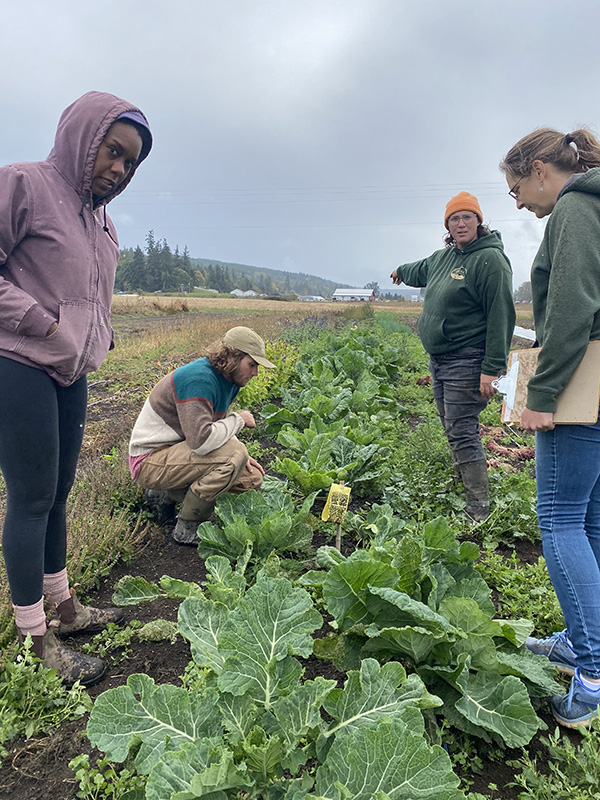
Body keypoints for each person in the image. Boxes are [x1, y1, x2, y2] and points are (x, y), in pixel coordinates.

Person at [0, 91, 152, 686]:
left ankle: (65, 608)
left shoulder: (101, 220)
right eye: (112, 152)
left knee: (60, 492)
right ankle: (33, 638)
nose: (119, 169)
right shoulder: (24, 184)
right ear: (83, 139)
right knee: (33, 497)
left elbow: (93, 295)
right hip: (18, 363)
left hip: (69, 371)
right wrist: (43, 323)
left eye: (130, 163)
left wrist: (98, 336)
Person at [500, 128, 600, 728]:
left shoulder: (574, 209)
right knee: (589, 519)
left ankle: (592, 671)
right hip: (598, 384)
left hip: (580, 384)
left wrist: (541, 395)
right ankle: (578, 639)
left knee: (559, 519)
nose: (516, 203)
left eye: (516, 188)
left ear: (540, 169)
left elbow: (570, 309)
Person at [390, 192, 516, 521]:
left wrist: (491, 369)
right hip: (441, 359)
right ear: (447, 224)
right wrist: (400, 271)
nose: (461, 223)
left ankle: (478, 509)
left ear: (479, 221)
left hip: (468, 357)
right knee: (451, 425)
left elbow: (501, 315)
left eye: (467, 217)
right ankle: (464, 486)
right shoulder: (444, 257)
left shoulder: (489, 260)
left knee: (462, 429)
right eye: (454, 218)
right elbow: (420, 269)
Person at [129, 326, 275, 544]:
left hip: (178, 453)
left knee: (251, 477)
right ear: (232, 357)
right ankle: (187, 527)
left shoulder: (228, 380)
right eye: (252, 365)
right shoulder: (199, 379)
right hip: (150, 460)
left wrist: (241, 457)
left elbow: (215, 424)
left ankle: (163, 495)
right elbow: (201, 441)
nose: (255, 373)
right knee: (234, 455)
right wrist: (238, 420)